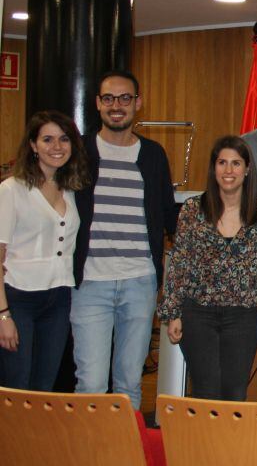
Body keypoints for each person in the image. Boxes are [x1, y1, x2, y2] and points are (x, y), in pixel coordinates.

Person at [72, 70, 178, 409]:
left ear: (138, 103)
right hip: (90, 285)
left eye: (124, 98)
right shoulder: (79, 151)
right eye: (109, 98)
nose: (116, 105)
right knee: (91, 383)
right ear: (97, 103)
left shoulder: (153, 155)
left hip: (139, 283)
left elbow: (168, 214)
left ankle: (125, 442)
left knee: (129, 383)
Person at [159, 136, 257, 401]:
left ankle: (229, 432)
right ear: (214, 168)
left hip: (243, 315)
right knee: (205, 390)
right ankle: (202, 432)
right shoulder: (192, 209)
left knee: (235, 391)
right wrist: (173, 313)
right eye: (222, 163)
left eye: (236, 163)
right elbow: (179, 262)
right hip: (198, 313)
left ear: (247, 169)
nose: (228, 170)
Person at [0, 111, 88, 390]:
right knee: (16, 385)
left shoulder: (70, 189)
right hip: (18, 299)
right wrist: (3, 315)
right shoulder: (11, 189)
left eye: (64, 139)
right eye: (47, 139)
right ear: (33, 145)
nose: (56, 146)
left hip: (59, 299)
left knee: (44, 386)